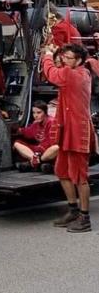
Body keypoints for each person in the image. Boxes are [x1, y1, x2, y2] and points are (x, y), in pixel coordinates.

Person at [41, 43, 94, 233]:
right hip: (67, 129)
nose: (64, 61)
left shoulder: (75, 74)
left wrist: (47, 55)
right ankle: (73, 209)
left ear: (79, 60)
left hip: (77, 131)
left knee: (80, 176)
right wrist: (55, 51)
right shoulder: (74, 71)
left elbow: (51, 73)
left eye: (68, 58)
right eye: (64, 57)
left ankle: (84, 217)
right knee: (62, 170)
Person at [13, 101, 58, 172]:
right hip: (38, 152)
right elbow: (28, 132)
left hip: (47, 151)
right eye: (34, 113)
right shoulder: (36, 123)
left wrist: (37, 153)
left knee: (56, 148)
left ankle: (34, 163)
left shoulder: (51, 122)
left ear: (45, 112)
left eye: (39, 112)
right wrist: (17, 130)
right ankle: (36, 162)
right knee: (17, 143)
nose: (35, 115)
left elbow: (49, 143)